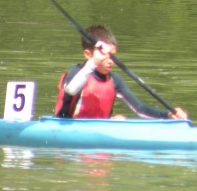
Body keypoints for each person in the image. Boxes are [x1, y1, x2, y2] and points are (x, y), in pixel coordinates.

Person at [54, 25, 188, 120]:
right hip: (66, 130)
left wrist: (168, 115)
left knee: (120, 119)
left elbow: (139, 109)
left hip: (100, 138)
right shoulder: (75, 73)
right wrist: (92, 64)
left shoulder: (114, 80)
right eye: (105, 55)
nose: (111, 61)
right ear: (88, 54)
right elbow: (71, 90)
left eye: (113, 56)